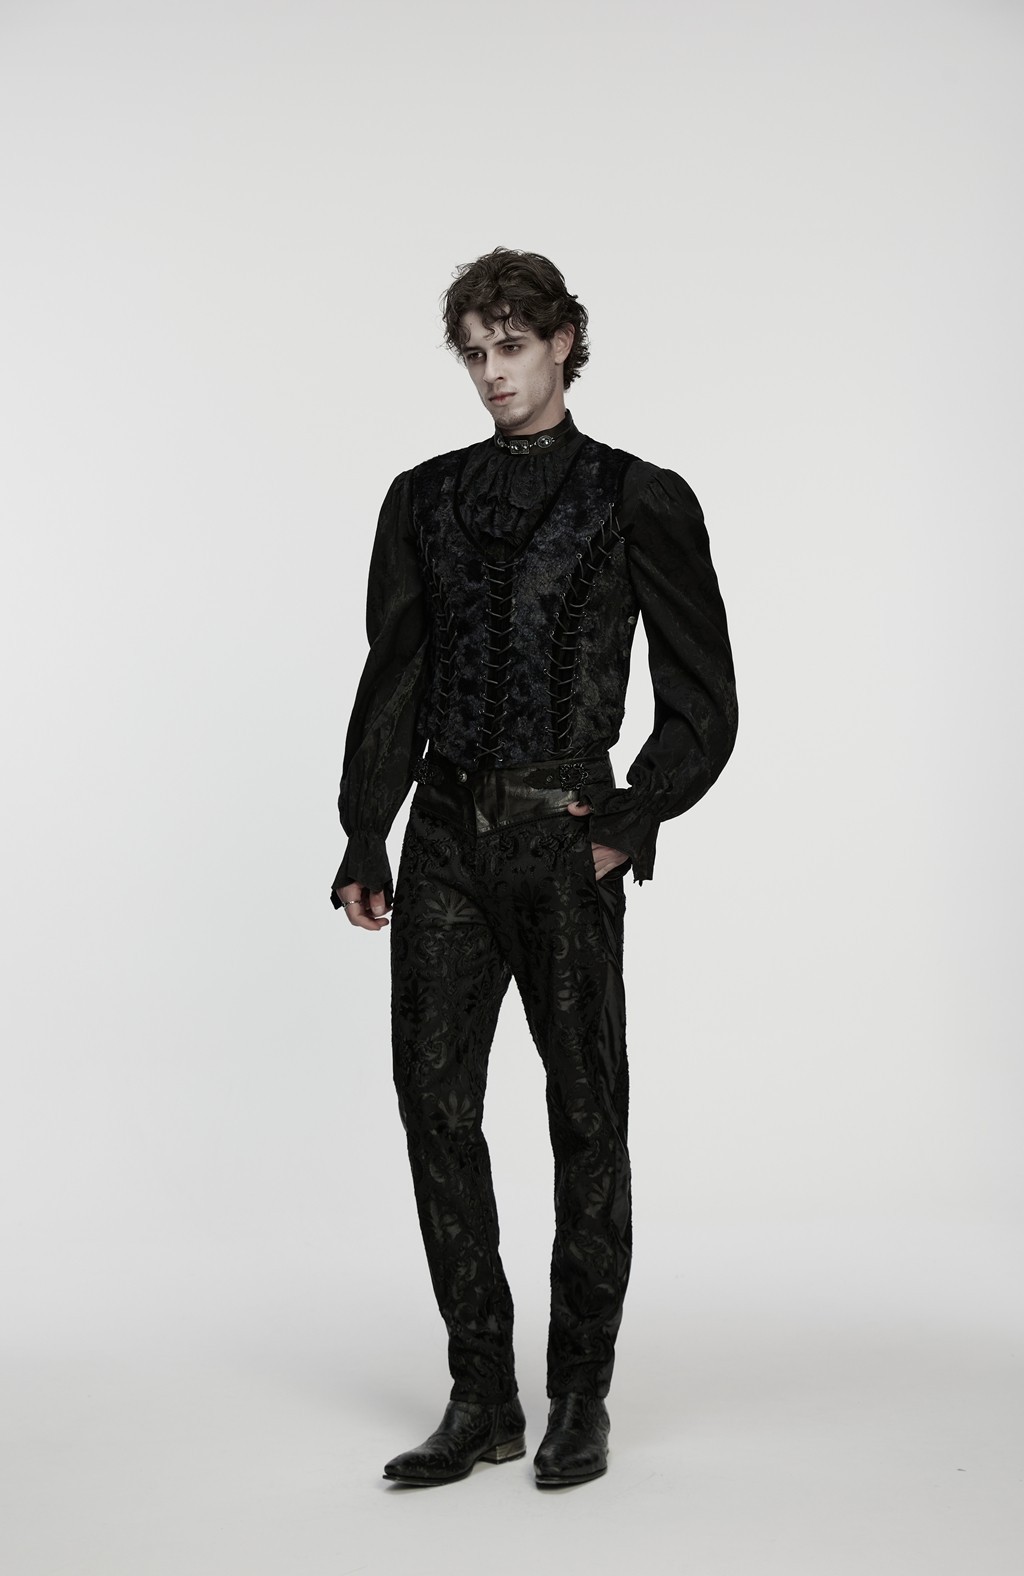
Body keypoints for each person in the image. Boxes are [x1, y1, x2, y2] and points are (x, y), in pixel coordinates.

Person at [331, 247, 737, 1487]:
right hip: (444, 837)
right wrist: (366, 825)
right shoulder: (422, 497)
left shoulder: (636, 496)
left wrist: (630, 818)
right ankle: (479, 1395)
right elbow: (395, 670)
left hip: (564, 837)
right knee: (435, 1105)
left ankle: (577, 1395)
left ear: (563, 341)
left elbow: (703, 696)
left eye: (510, 345)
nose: (492, 373)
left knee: (585, 1112)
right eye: (474, 352)